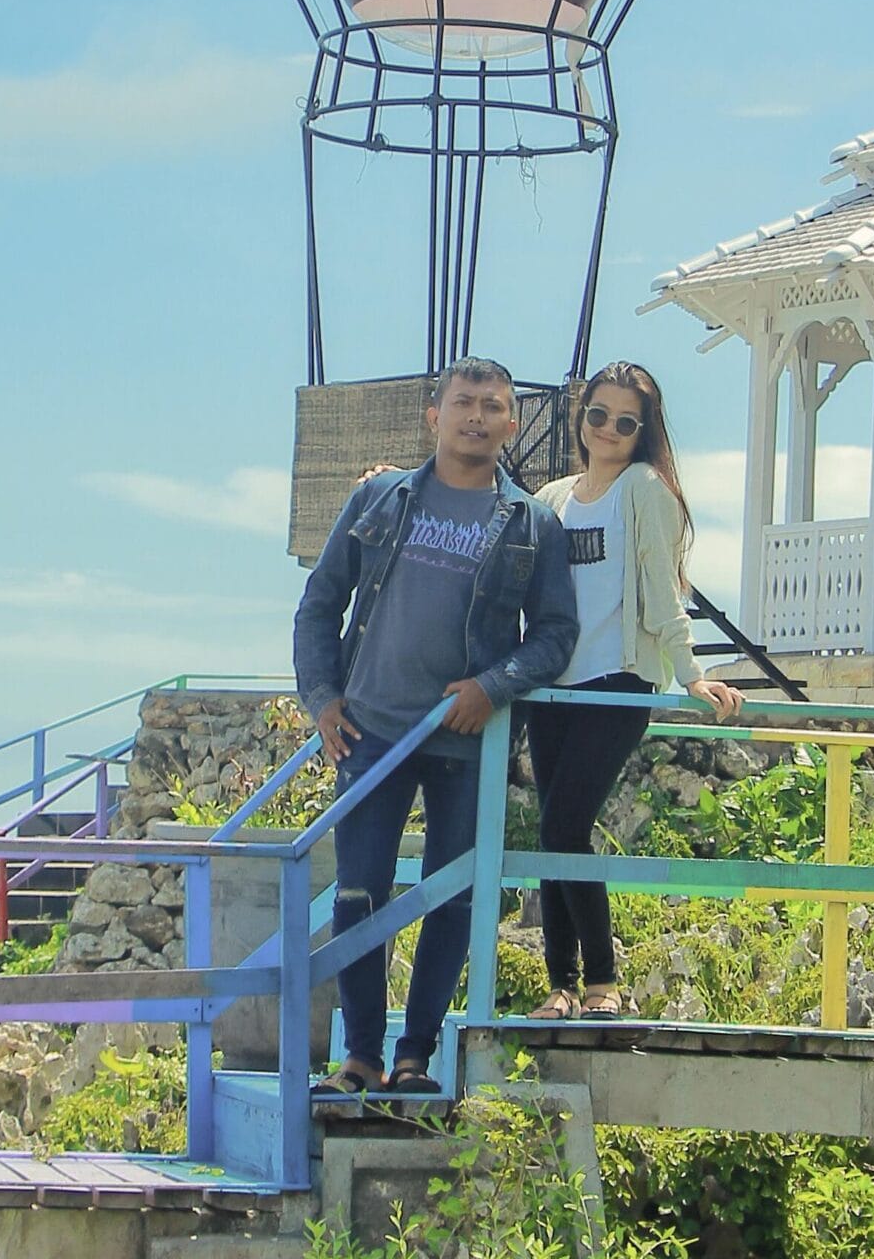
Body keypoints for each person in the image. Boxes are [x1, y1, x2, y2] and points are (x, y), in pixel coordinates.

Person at [292, 356, 577, 1097]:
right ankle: (358, 1058)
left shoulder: (531, 523)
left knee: (452, 897)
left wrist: (493, 685)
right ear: (434, 416)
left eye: (492, 405)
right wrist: (323, 697)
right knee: (359, 895)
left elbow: (553, 634)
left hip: (465, 744)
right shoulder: (379, 501)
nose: (476, 416)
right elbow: (320, 605)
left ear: (511, 423)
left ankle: (414, 1056)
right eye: (463, 402)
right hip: (372, 733)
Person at [530, 362, 743, 1018]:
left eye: (627, 422)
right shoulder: (553, 498)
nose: (610, 430)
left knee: (567, 823)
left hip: (617, 683)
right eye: (599, 415)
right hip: (552, 688)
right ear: (582, 416)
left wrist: (693, 673)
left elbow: (662, 594)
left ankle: (603, 982)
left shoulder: (645, 489)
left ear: (643, 430)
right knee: (550, 833)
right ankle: (560, 987)